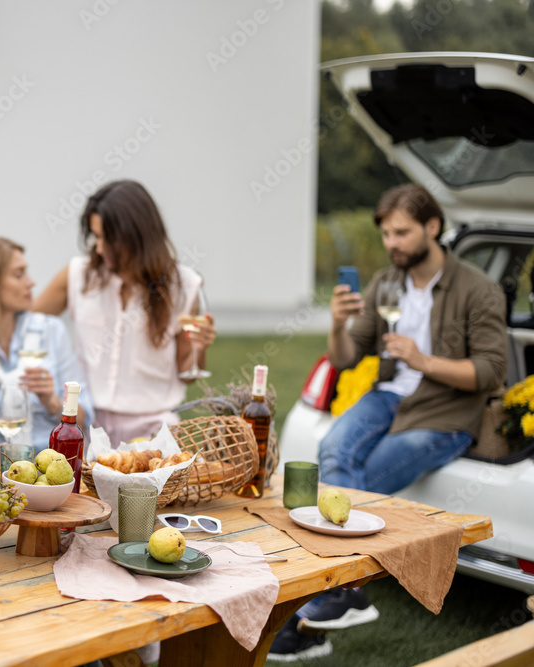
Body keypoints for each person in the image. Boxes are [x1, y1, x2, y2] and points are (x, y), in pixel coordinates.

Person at [269, 184, 508, 661]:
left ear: (433, 227)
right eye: (386, 234)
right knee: (334, 449)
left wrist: (423, 360)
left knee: (359, 481)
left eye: (402, 232)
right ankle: (343, 593)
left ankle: (327, 600)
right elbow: (346, 356)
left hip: (446, 411)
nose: (392, 243)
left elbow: (491, 371)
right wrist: (338, 325)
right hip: (388, 398)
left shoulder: (477, 288)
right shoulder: (385, 283)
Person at [33, 180, 216, 446]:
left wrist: (201, 346)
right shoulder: (78, 275)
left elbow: (186, 372)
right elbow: (27, 322)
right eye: (96, 236)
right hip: (85, 425)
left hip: (154, 429)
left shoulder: (184, 286)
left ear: (138, 236)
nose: (99, 247)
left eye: (109, 238)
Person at [0, 237, 93, 449]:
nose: (31, 282)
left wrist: (53, 402)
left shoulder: (50, 330)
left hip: (49, 470)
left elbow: (85, 421)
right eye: (18, 274)